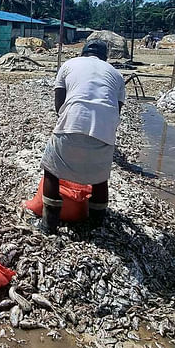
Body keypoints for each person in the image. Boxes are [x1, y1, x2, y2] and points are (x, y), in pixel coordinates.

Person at [40, 39, 126, 233]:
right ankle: (96, 226)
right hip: (105, 130)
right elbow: (116, 110)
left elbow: (58, 105)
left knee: (52, 170)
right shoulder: (117, 75)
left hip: (72, 121)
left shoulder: (69, 65)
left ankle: (48, 225)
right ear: (106, 56)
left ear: (83, 52)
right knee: (100, 178)